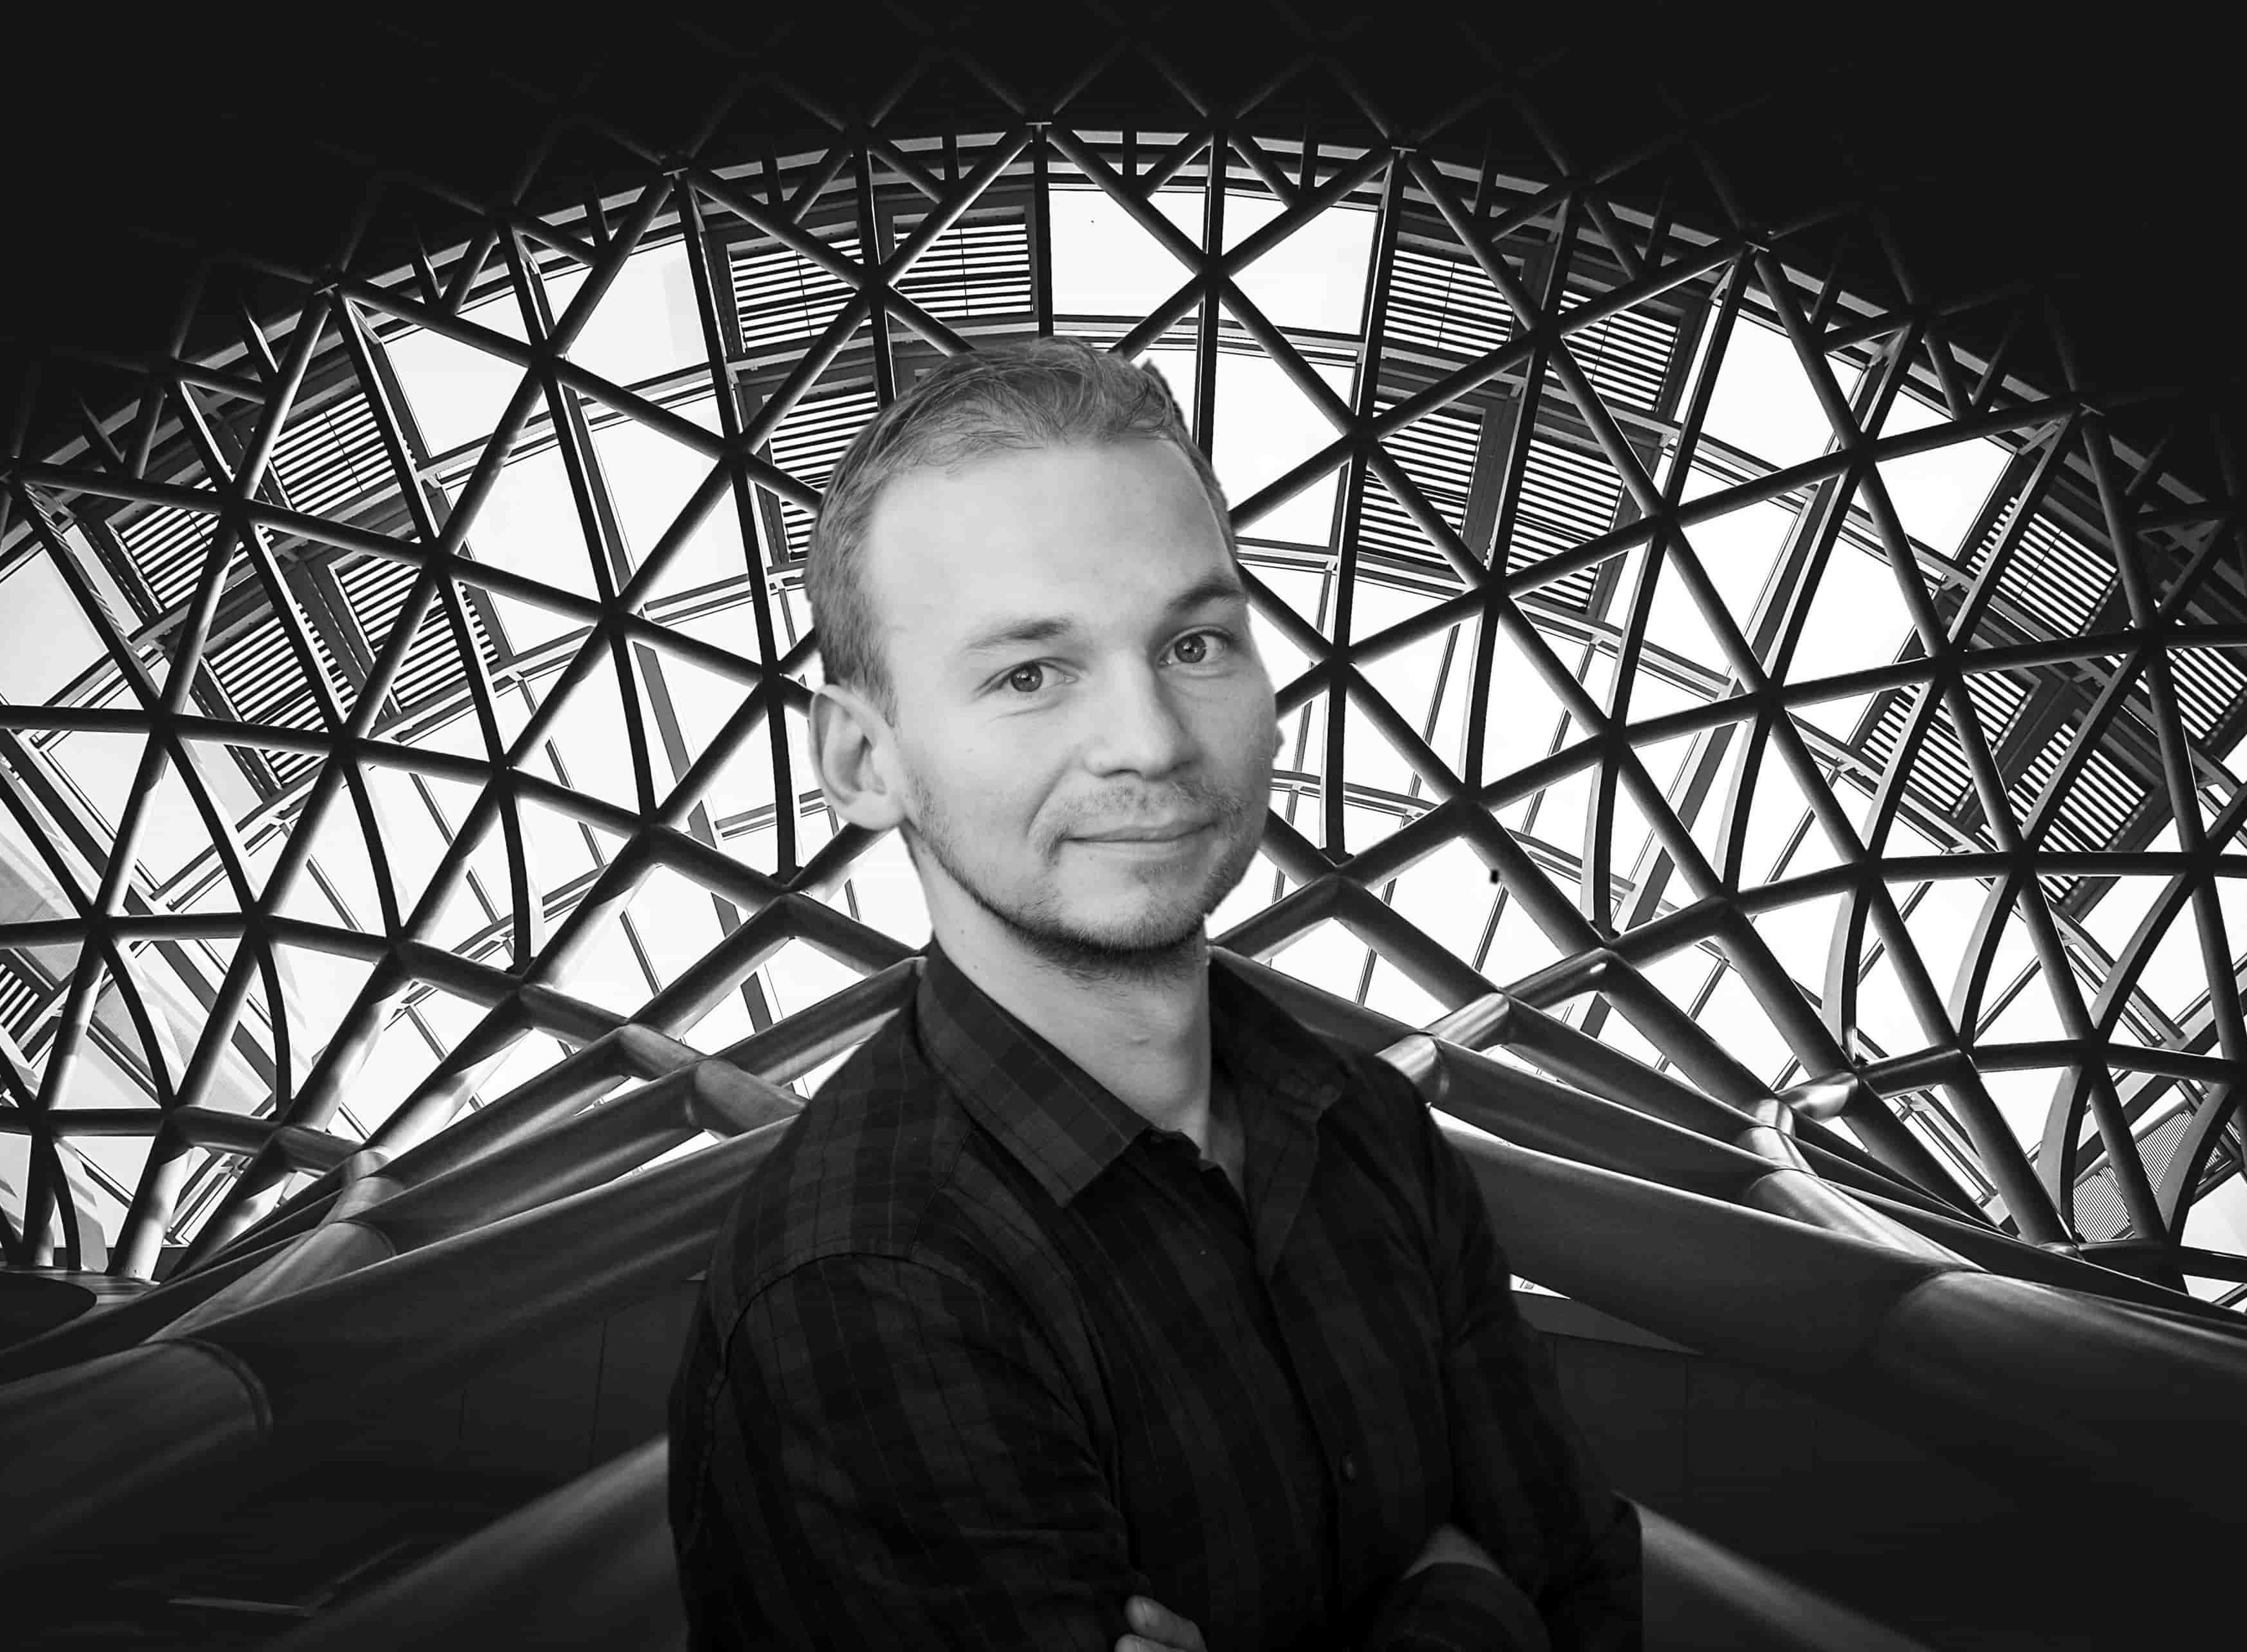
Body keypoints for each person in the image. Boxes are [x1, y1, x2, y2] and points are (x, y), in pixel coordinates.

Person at [666, 337, 1640, 1649]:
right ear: (861, 759)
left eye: (1194, 640)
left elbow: (1583, 1589)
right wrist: (1463, 1598)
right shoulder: (866, 1282)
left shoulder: (1367, 1128)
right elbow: (1523, 1594)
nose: (1153, 740)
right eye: (1030, 672)